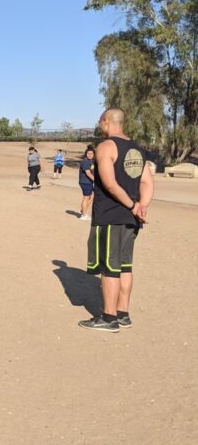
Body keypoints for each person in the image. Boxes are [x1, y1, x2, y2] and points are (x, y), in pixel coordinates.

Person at [79, 108, 154, 333]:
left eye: (100, 121)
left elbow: (110, 184)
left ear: (106, 121)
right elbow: (147, 183)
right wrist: (142, 207)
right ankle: (123, 314)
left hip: (111, 216)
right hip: (131, 220)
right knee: (125, 266)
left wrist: (133, 206)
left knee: (110, 268)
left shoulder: (106, 147)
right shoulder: (137, 149)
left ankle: (109, 317)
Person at [78, 147, 95, 220]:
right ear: (86, 154)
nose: (90, 155)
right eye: (88, 153)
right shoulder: (85, 161)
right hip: (85, 182)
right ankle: (84, 215)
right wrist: (96, 181)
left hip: (89, 182)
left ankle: (83, 210)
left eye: (92, 153)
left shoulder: (91, 161)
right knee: (86, 197)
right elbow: (88, 173)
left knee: (92, 196)